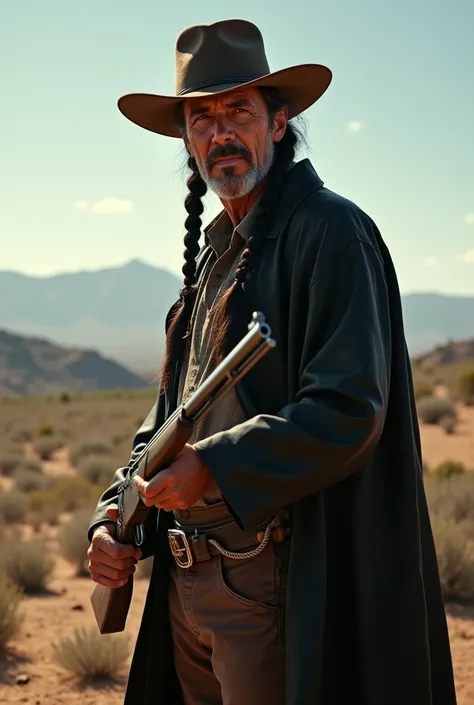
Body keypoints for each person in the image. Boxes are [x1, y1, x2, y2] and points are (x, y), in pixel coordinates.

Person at [86, 18, 457, 705]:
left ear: (278, 123)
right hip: (185, 578)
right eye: (202, 117)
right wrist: (113, 514)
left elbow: (349, 406)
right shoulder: (212, 262)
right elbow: (167, 413)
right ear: (187, 139)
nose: (220, 131)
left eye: (239, 111)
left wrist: (215, 465)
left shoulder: (333, 232)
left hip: (269, 579)